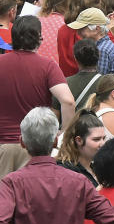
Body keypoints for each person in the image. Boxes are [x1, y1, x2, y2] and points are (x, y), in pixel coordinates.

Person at [0, 16, 75, 146]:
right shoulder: (48, 66)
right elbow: (68, 101)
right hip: (36, 144)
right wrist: (63, 132)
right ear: (39, 38)